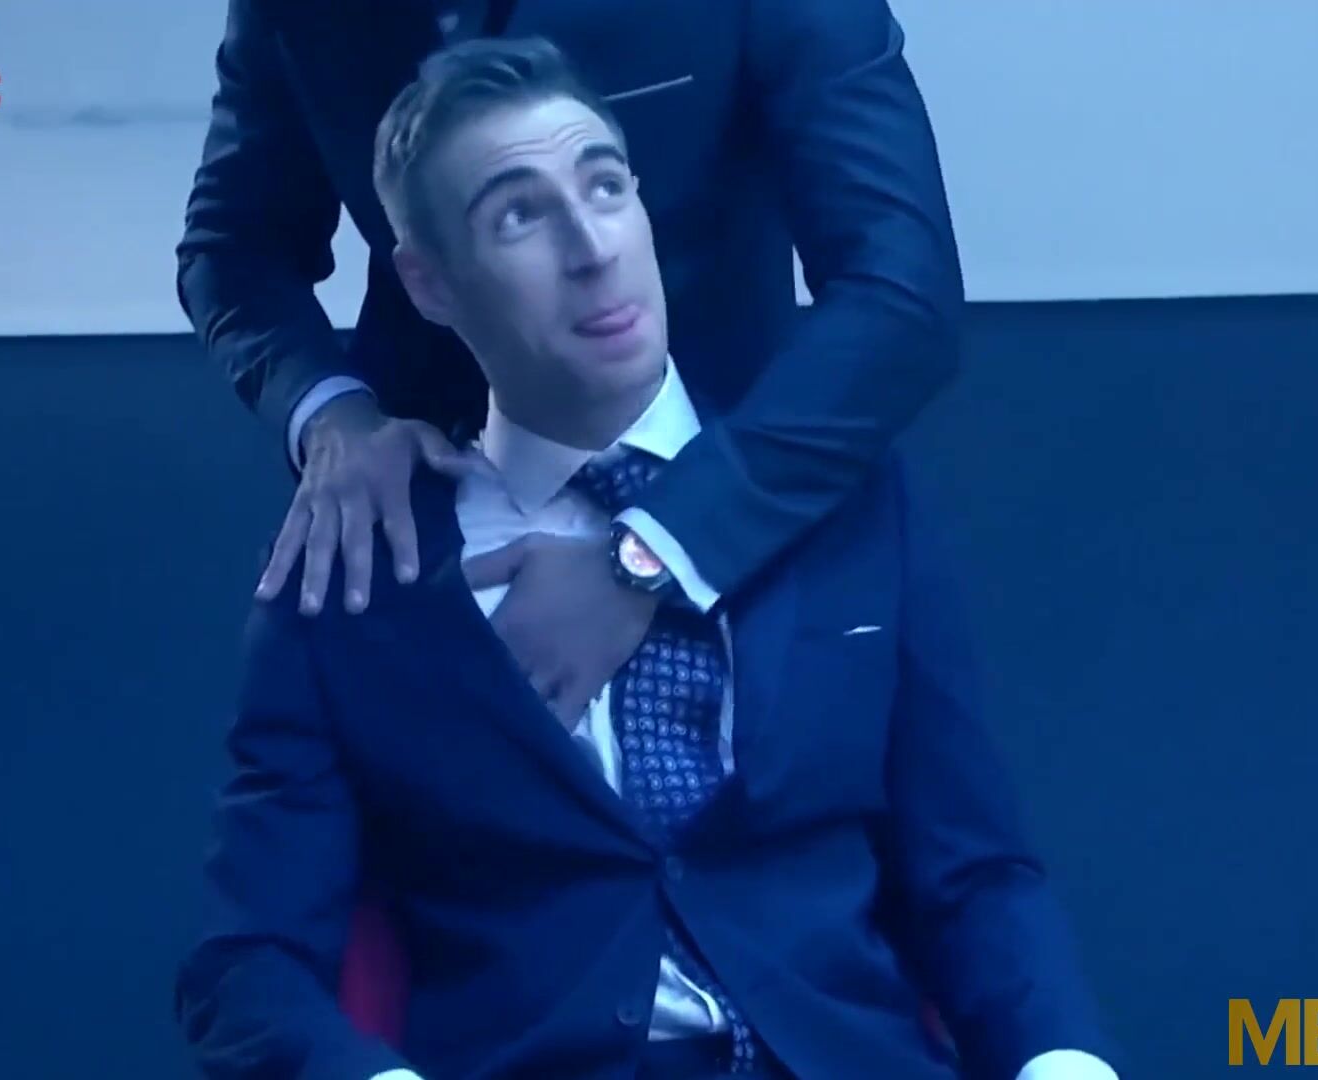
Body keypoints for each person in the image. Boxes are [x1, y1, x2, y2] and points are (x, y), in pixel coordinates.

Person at [175, 38, 1119, 1080]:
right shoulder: (359, 579)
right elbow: (247, 969)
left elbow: (976, 878)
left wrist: (1064, 1064)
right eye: (519, 216)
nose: (592, 248)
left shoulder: (852, 513)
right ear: (430, 285)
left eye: (607, 187)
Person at [177, 0, 967, 727]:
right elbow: (234, 246)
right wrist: (333, 417)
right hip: (430, 535)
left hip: (748, 506)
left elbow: (901, 290)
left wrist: (661, 547)